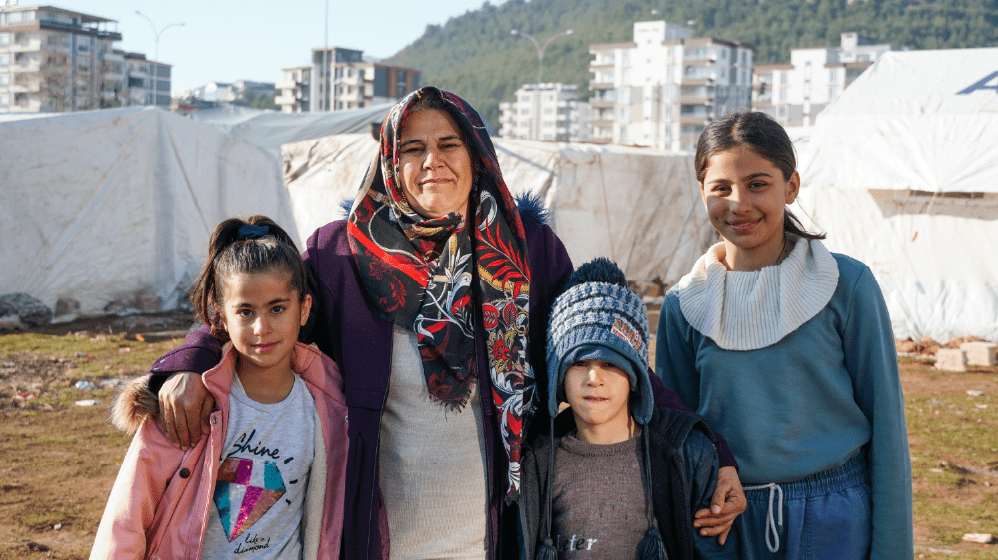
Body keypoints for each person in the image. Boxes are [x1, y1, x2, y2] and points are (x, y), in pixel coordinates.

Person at [146, 87, 745, 559]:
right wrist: (190, 368)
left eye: (448, 144)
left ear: (476, 152)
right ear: (390, 159)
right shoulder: (341, 256)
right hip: (378, 528)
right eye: (412, 148)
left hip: (502, 526)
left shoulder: (528, 253)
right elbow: (263, 311)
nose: (431, 161)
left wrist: (712, 448)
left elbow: (607, 349)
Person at [655, 112, 913, 559]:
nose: (739, 204)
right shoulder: (684, 305)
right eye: (721, 188)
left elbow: (888, 430)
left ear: (790, 187)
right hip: (723, 525)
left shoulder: (845, 286)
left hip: (833, 523)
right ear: (702, 192)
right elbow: (677, 435)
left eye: (758, 184)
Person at [91, 216, 349, 559]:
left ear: (303, 310)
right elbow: (127, 515)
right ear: (221, 317)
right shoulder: (185, 404)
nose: (262, 327)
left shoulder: (329, 408)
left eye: (277, 308)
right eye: (245, 311)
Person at [520, 258, 736, 560]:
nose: (593, 379)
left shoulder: (685, 454)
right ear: (559, 375)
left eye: (610, 363)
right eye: (579, 363)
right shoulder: (538, 463)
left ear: (635, 376)